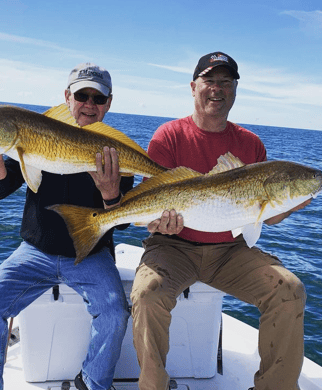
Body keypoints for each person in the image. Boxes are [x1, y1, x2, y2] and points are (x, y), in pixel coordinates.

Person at [130, 52, 312, 390]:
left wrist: (282, 209)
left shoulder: (251, 144)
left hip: (230, 250)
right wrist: (157, 224)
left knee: (290, 290)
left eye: (226, 82)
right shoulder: (167, 136)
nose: (217, 89)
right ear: (193, 86)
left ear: (235, 90)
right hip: (172, 245)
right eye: (210, 81)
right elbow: (152, 205)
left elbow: (262, 218)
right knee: (147, 295)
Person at [0, 63, 134, 390]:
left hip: (91, 255)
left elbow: (126, 221)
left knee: (115, 311)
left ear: (109, 104)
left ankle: (92, 382)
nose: (89, 103)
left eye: (97, 98)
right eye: (81, 95)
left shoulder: (114, 152)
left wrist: (111, 193)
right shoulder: (36, 132)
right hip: (34, 252)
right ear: (67, 96)